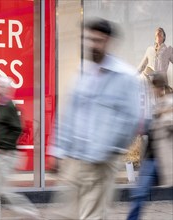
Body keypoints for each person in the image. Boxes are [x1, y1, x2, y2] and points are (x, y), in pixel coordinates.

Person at [48, 18, 141, 220]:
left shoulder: (124, 76)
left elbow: (133, 119)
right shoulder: (82, 73)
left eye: (97, 40)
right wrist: (58, 151)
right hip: (75, 160)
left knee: (92, 216)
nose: (91, 44)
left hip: (101, 162)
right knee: (64, 215)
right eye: (88, 39)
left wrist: (108, 149)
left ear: (108, 41)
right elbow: (68, 115)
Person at [0, 75, 40, 220]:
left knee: (1, 191)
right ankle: (28, 213)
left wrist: (3, 148)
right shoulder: (1, 106)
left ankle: (30, 213)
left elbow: (17, 129)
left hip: (5, 156)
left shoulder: (9, 106)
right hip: (0, 156)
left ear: (3, 89)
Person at [127, 74, 173, 220]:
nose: (152, 90)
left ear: (160, 87)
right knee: (139, 194)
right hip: (150, 158)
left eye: (154, 87)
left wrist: (163, 114)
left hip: (165, 158)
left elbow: (169, 124)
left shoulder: (169, 103)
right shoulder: (154, 105)